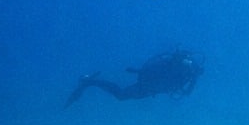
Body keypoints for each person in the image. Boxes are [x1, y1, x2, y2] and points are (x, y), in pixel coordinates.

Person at [66, 48, 203, 105]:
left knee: (121, 96)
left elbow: (185, 91)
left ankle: (89, 81)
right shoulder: (182, 70)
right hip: (147, 86)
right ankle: (89, 81)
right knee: (121, 95)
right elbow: (184, 91)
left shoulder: (188, 72)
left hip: (150, 88)